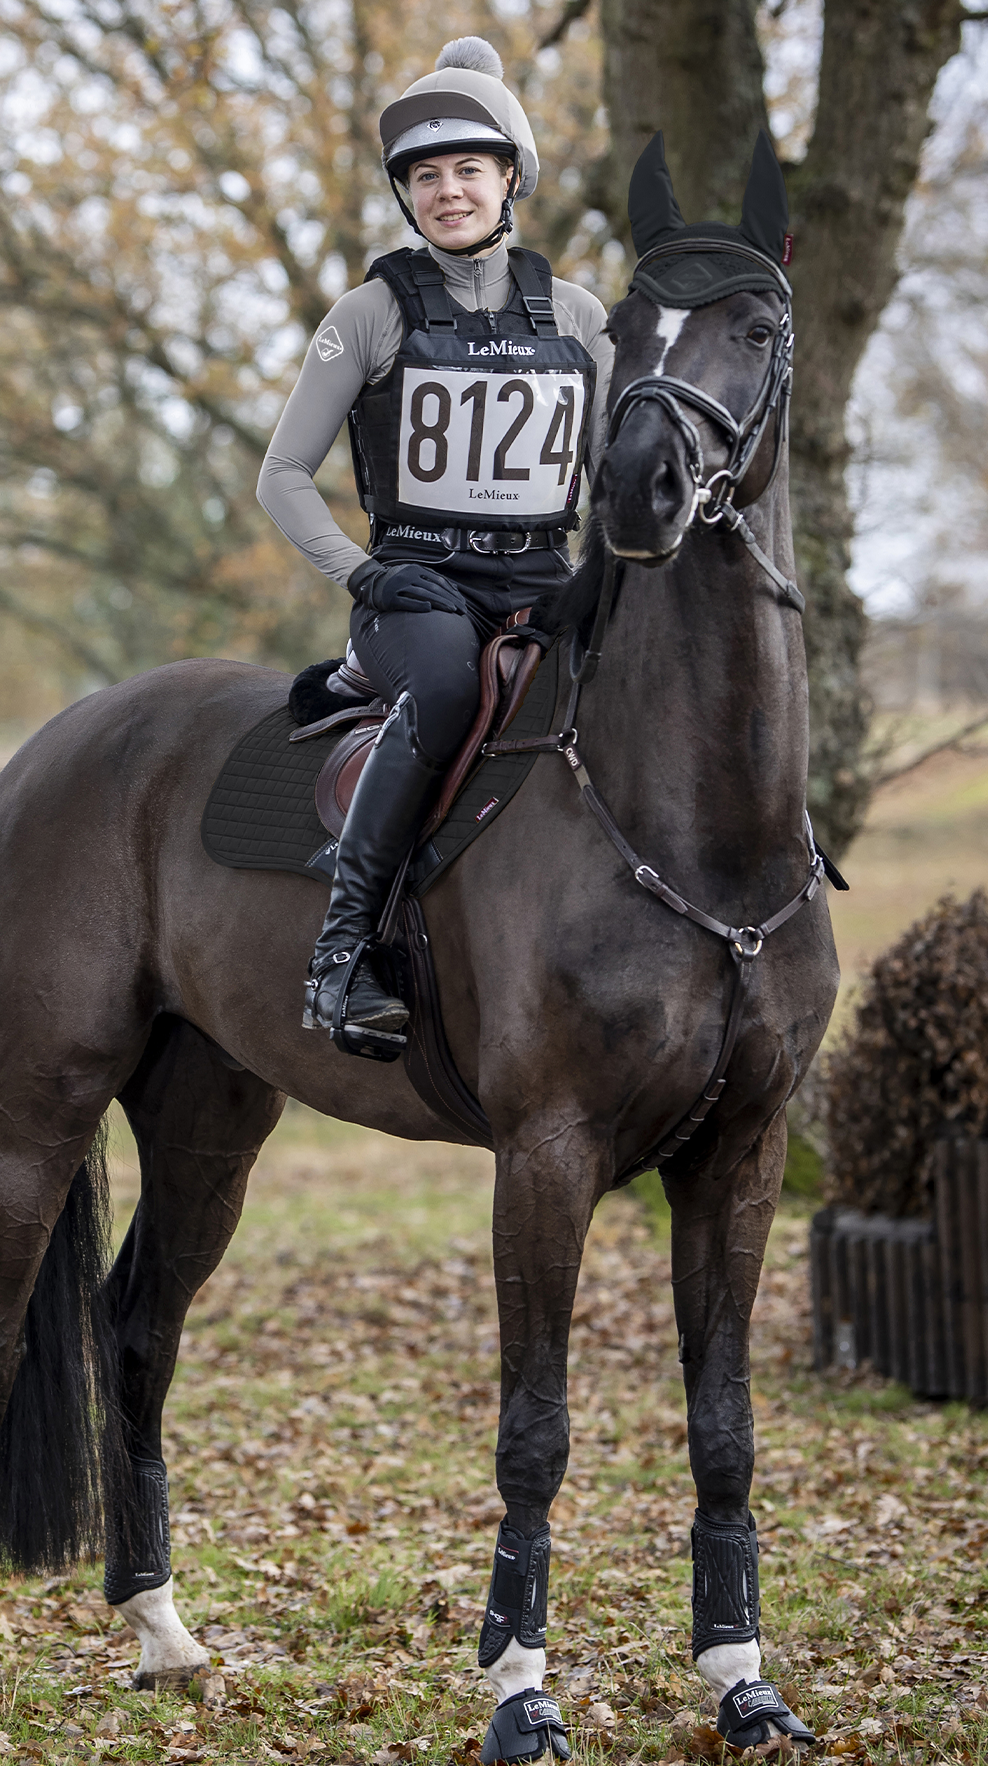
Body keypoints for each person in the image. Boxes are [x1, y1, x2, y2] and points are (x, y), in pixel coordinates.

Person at [258, 37, 612, 1059]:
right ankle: (340, 956)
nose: (447, 192)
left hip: (544, 582)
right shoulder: (368, 313)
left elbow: (612, 483)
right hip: (418, 592)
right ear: (406, 197)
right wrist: (362, 572)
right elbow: (281, 475)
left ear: (511, 179)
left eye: (468, 169)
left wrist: (598, 582)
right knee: (450, 693)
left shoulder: (581, 317)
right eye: (425, 176)